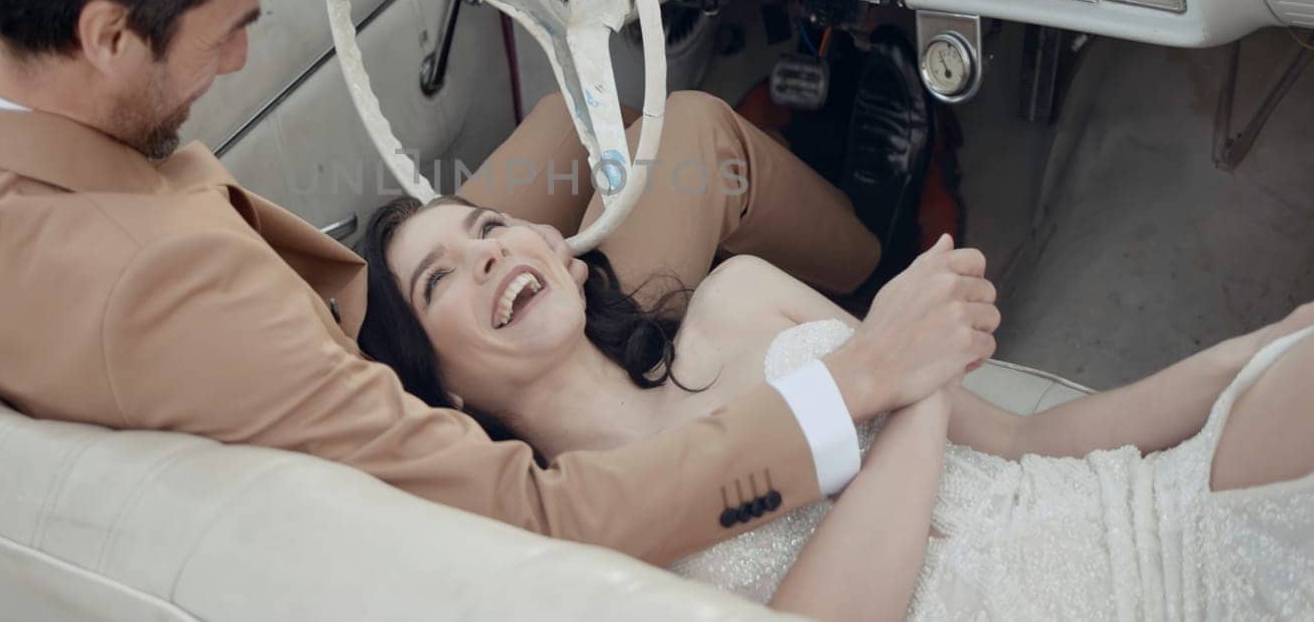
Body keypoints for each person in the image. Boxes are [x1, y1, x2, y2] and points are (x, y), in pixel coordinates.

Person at [0, 0, 997, 572]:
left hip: (347, 316)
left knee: (604, 124)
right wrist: (852, 382)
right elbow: (538, 516)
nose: (239, 59)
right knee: (699, 137)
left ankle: (806, 159)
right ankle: (878, 251)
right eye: (228, 27)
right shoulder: (164, 292)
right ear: (104, 35)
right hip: (397, 376)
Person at [361, 194, 1314, 618]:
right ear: (443, 386)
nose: (488, 251)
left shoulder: (740, 298)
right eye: (441, 277)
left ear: (554, 248)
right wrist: (906, 379)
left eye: (489, 225)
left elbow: (1026, 438)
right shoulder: (575, 530)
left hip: (1146, 520)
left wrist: (1253, 350)